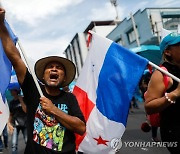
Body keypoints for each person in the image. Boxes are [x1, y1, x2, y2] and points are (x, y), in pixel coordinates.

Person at [0, 8, 86, 154]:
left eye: (59, 68)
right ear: (43, 75)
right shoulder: (33, 90)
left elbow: (81, 128)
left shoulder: (69, 98)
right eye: (50, 67)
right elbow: (15, 57)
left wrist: (54, 110)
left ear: (64, 78)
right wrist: (1, 25)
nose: (54, 69)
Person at [144, 30, 180, 153]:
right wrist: (175, 93)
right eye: (179, 45)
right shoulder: (161, 74)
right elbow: (149, 107)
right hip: (175, 130)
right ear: (167, 52)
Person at [8, 89, 27, 154]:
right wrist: (9, 124)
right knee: (14, 144)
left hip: (25, 123)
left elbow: (26, 110)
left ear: (16, 91)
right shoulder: (11, 102)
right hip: (15, 124)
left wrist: (21, 100)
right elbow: (10, 114)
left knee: (27, 141)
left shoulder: (23, 100)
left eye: (12, 90)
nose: (11, 91)